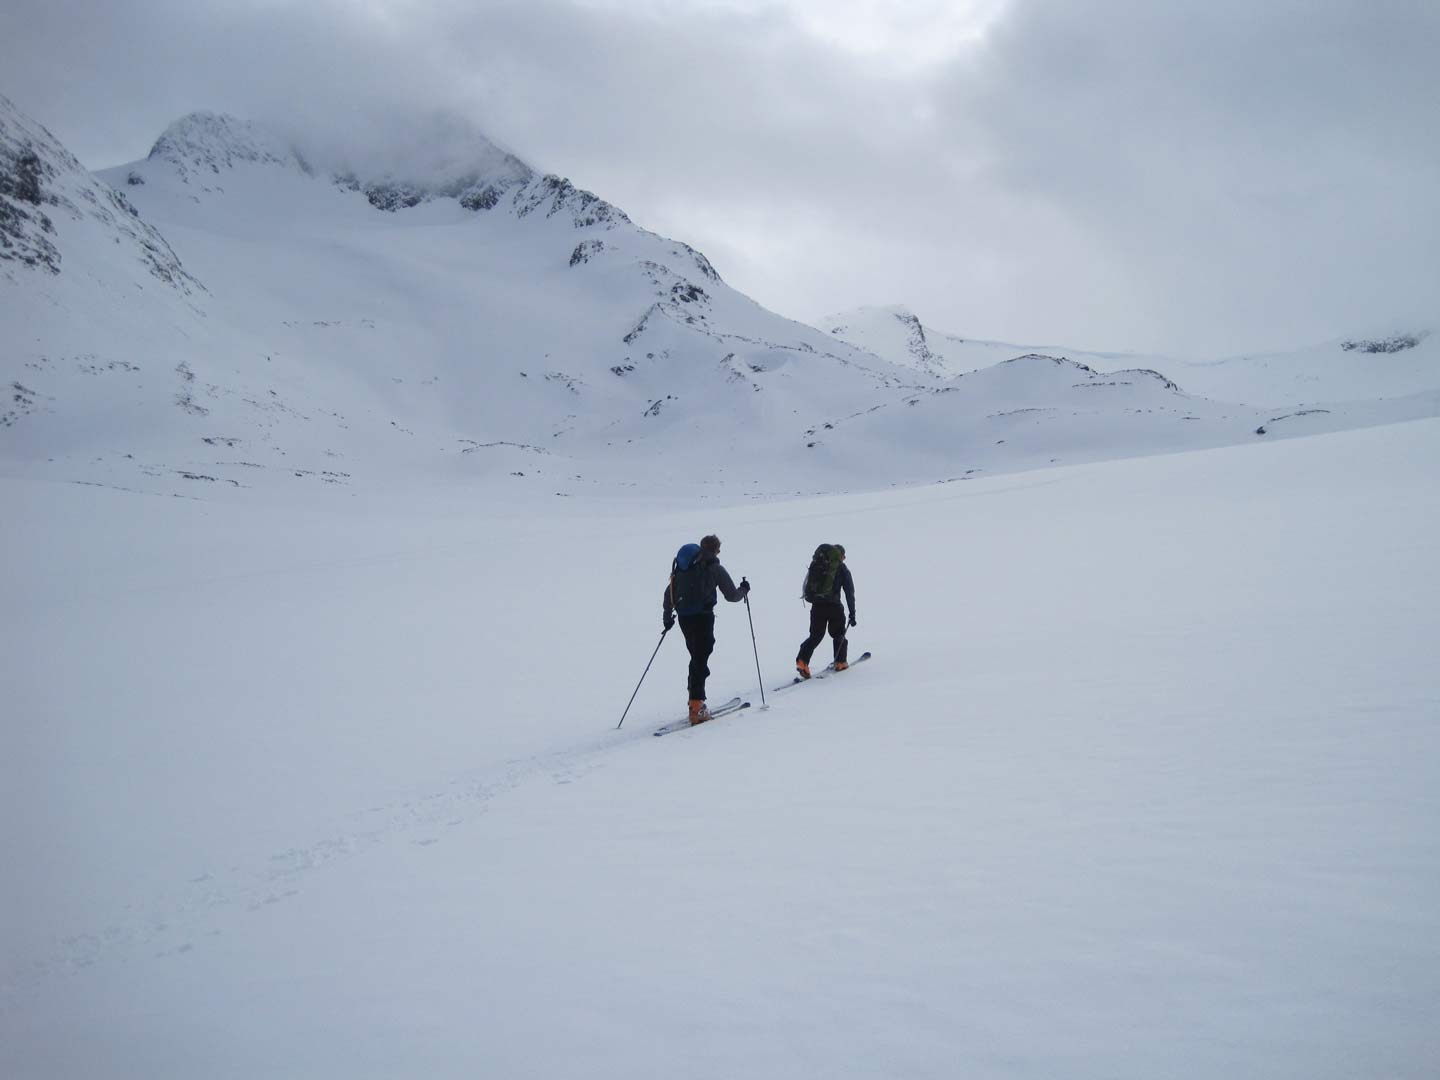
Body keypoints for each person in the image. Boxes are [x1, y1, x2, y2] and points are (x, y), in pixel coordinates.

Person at [662, 534, 750, 724]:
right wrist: (744, 590)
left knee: (697, 657)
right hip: (703, 617)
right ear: (715, 550)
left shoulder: (684, 567)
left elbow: (668, 593)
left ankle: (694, 699)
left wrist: (667, 618)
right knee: (700, 658)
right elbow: (732, 595)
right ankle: (696, 706)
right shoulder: (714, 568)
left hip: (685, 619)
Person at [796, 543, 855, 678]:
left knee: (815, 635)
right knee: (838, 633)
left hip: (817, 606)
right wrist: (852, 613)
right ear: (840, 555)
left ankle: (802, 661)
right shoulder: (842, 569)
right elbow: (849, 592)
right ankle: (840, 662)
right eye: (843, 556)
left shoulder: (819, 566)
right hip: (834, 607)